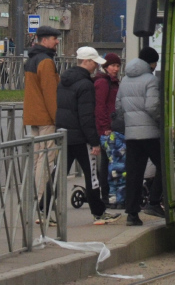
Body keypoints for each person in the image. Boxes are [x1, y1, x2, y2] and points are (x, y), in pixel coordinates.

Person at [55, 46, 112, 222]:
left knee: (58, 174)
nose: (96, 66)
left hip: (65, 134)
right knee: (92, 175)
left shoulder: (64, 80)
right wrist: (94, 142)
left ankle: (43, 209)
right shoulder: (86, 85)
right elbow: (86, 116)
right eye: (94, 63)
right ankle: (99, 213)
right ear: (86, 61)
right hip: (81, 138)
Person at [117, 47, 163, 225]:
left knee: (134, 174)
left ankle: (132, 214)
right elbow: (152, 107)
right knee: (164, 166)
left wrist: (130, 121)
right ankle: (154, 202)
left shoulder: (124, 80)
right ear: (151, 63)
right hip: (150, 133)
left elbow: (118, 107)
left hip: (131, 135)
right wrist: (161, 121)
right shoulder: (151, 80)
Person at [23, 27, 62, 207]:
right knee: (46, 159)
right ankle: (41, 200)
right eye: (55, 38)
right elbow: (50, 93)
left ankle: (35, 197)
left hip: (34, 115)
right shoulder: (46, 61)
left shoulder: (32, 58)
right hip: (46, 117)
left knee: (38, 157)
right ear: (44, 40)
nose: (57, 41)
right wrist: (57, 118)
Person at [93, 53, 122, 209]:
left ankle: (108, 195)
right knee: (108, 163)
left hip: (111, 126)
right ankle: (107, 195)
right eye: (112, 66)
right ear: (105, 67)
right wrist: (105, 127)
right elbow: (100, 106)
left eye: (118, 66)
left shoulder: (112, 82)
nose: (115, 69)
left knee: (109, 162)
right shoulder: (103, 82)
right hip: (107, 129)